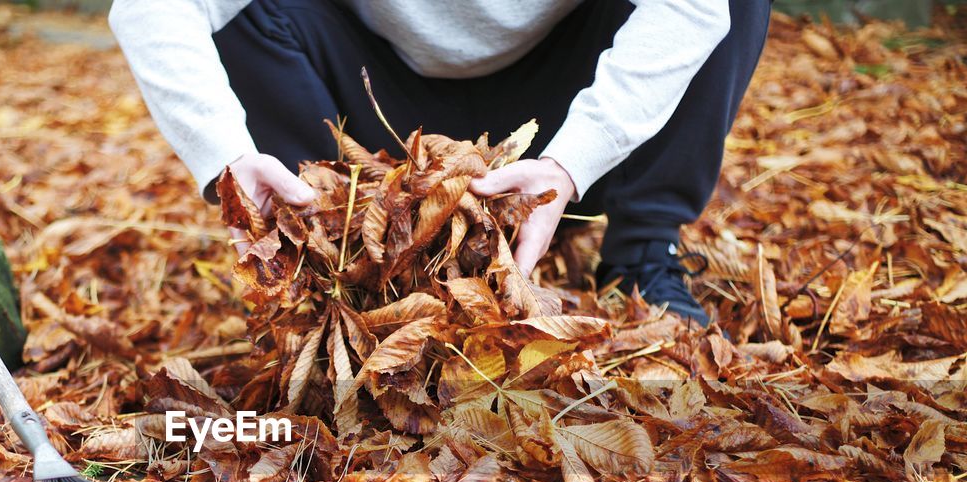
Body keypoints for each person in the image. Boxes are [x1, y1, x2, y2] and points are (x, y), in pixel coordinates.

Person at [108, 0, 772, 326]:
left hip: (553, 129)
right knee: (245, 13)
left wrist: (573, 162)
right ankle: (336, 260)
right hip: (371, 111)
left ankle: (642, 252)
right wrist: (224, 154)